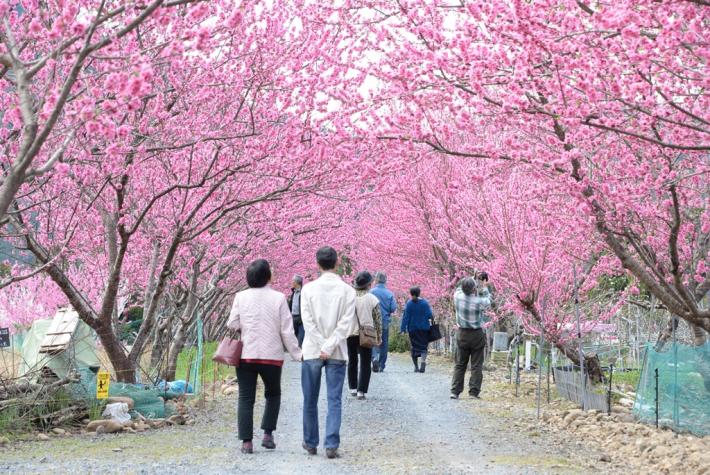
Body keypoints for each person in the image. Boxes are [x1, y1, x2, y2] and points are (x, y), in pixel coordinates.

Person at [226, 259, 302, 454]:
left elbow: (232, 324)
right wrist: (297, 354)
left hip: (246, 356)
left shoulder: (240, 297)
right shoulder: (278, 298)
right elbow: (287, 331)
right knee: (273, 394)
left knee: (245, 398)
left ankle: (246, 442)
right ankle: (268, 434)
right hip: (272, 356)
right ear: (268, 276)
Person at [300, 246, 356, 459]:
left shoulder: (308, 289)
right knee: (334, 399)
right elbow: (345, 325)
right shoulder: (347, 291)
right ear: (337, 262)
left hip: (313, 350)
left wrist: (321, 345)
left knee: (310, 399)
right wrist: (330, 345)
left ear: (317, 264)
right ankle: (331, 444)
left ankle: (311, 442)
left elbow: (307, 322)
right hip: (337, 352)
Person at [450, 276, 492, 399]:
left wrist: (471, 278)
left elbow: (458, 287)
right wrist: (484, 287)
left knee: (460, 364)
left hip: (462, 333)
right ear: (474, 289)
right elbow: (488, 300)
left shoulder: (457, 297)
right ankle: (473, 392)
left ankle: (455, 391)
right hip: (476, 334)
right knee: (476, 364)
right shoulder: (478, 301)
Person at [347, 271, 382, 400]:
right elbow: (378, 319)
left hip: (350, 332)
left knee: (352, 360)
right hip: (367, 333)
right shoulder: (372, 299)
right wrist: (379, 335)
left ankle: (352, 388)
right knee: (365, 362)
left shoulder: (349, 298)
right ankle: (362, 390)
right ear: (369, 284)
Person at [400, 286, 433, 373]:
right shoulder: (425, 303)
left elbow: (405, 317)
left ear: (411, 294)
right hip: (424, 329)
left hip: (413, 329)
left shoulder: (409, 304)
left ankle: (416, 367)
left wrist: (402, 329)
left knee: (414, 347)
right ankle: (423, 361)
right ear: (419, 293)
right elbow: (430, 315)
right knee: (423, 347)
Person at [370, 272, 397, 373]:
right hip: (384, 321)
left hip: (372, 321)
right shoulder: (389, 294)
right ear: (385, 280)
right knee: (384, 343)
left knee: (373, 341)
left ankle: (374, 358)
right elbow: (393, 308)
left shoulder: (371, 292)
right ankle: (381, 365)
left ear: (376, 280)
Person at [287, 275, 305, 347]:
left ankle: (301, 355)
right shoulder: (293, 292)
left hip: (301, 318)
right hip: (293, 317)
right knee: (294, 337)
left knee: (301, 337)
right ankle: (297, 355)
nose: (292, 282)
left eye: (293, 281)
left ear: (297, 282)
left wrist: (302, 317)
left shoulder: (303, 293)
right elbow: (291, 305)